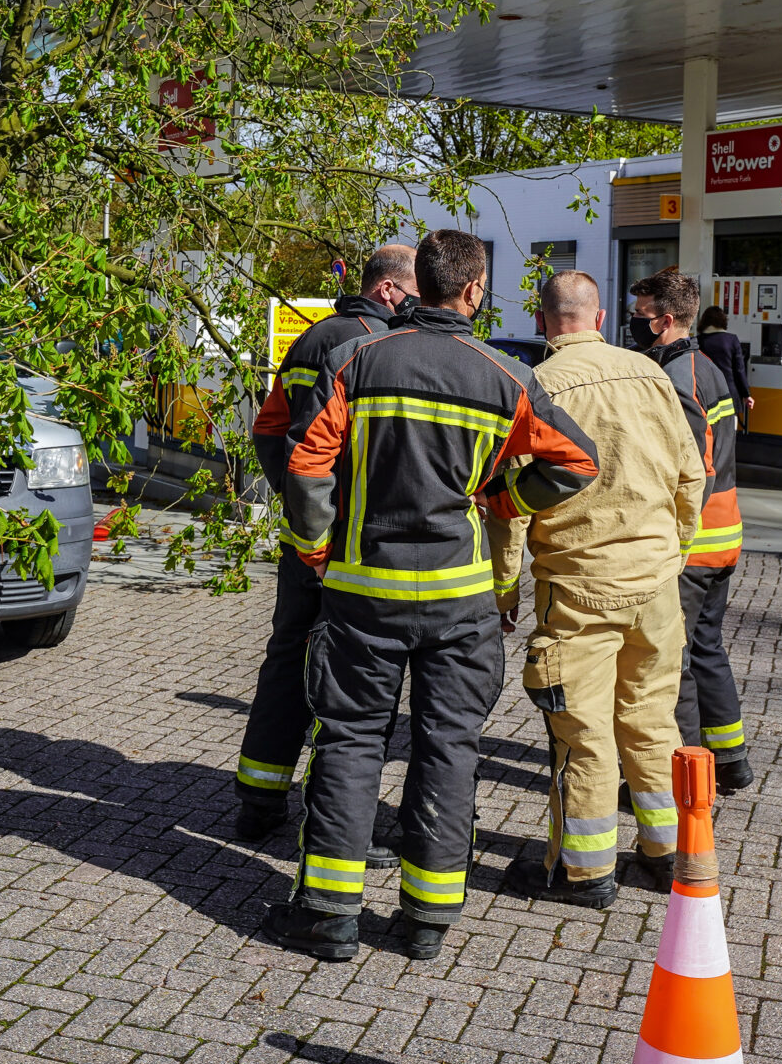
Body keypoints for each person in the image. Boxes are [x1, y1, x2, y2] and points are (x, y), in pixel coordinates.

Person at [264, 230, 600, 963]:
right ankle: (426, 919)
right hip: (459, 601)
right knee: (449, 745)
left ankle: (326, 913)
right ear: (475, 290)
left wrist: (317, 548)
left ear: (415, 282)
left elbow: (305, 464)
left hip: (362, 593)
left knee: (351, 741)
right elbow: (577, 462)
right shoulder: (504, 375)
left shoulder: (358, 359)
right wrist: (501, 498)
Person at [490, 271, 703, 906]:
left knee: (582, 736)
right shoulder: (651, 374)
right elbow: (691, 477)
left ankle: (585, 873)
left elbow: (510, 503)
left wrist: (504, 587)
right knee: (651, 718)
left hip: (581, 585)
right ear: (602, 317)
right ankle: (668, 855)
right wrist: (672, 554)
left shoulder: (536, 386)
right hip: (656, 582)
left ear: (542, 319)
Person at [237, 242, 416, 848]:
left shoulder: (311, 339)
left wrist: (298, 502)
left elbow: (269, 429)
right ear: (389, 290)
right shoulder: (378, 349)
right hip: (358, 545)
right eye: (415, 291)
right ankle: (332, 811)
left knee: (288, 656)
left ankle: (259, 800)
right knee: (353, 680)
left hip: (304, 537)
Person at [640, 272, 752, 794]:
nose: (633, 324)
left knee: (674, 661)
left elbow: (693, 470)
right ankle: (730, 760)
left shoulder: (677, 376)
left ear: (666, 320)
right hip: (724, 535)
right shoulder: (707, 367)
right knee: (707, 648)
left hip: (693, 542)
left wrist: (669, 541)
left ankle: (682, 777)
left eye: (640, 316)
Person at [694, 305, 752, 418]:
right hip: (728, 395)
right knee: (729, 432)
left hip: (705, 395)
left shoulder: (697, 341)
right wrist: (746, 394)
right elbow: (739, 370)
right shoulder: (732, 340)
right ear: (723, 321)